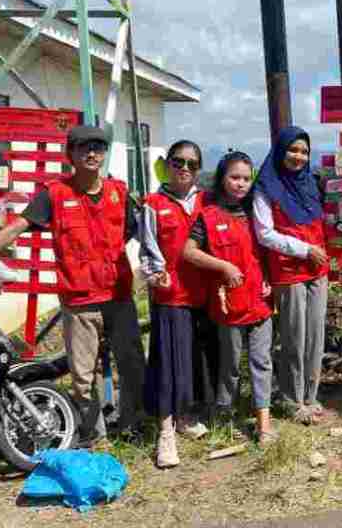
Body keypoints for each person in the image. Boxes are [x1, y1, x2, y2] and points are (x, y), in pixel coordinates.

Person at [0, 125, 146, 445]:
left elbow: (140, 234)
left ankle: (132, 425)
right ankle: (96, 437)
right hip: (79, 302)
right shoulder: (53, 194)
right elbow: (14, 229)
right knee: (84, 377)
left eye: (98, 147)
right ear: (71, 155)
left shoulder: (118, 193)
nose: (92, 153)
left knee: (133, 365)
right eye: (84, 148)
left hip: (118, 296)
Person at [183, 151, 276, 444]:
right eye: (235, 177)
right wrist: (223, 266)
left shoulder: (256, 212)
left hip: (259, 300)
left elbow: (266, 252)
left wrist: (269, 279)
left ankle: (264, 423)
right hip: (229, 303)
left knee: (262, 361)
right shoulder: (207, 216)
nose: (241, 184)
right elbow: (189, 252)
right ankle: (226, 416)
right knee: (230, 364)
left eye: (247, 179)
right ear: (222, 178)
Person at [140, 140, 213, 468]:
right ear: (167, 164)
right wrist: (154, 275)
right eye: (178, 162)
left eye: (192, 164)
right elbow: (148, 248)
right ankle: (166, 430)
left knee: (194, 361)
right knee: (168, 362)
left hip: (204, 294)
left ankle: (184, 417)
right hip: (171, 294)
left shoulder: (206, 201)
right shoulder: (153, 203)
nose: (185, 168)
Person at [252, 126, 330, 425]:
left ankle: (310, 395)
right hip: (289, 269)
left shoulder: (311, 183)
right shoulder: (267, 186)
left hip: (317, 268)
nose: (298, 156)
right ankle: (291, 398)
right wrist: (305, 249)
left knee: (315, 336)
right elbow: (265, 234)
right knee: (294, 337)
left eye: (304, 151)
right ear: (281, 151)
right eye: (293, 150)